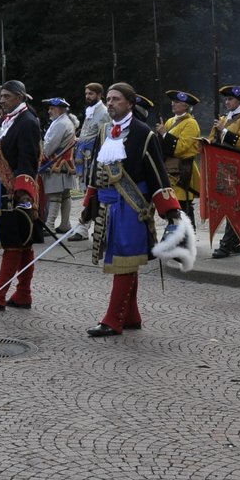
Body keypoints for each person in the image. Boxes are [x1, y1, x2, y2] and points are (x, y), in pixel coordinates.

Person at [79, 81, 185, 336]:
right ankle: (131, 316)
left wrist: (170, 212)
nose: (112, 103)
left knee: (124, 262)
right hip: (107, 207)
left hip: (131, 207)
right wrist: (87, 206)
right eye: (111, 99)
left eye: (117, 99)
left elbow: (158, 174)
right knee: (125, 262)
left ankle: (112, 320)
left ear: (130, 103)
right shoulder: (104, 131)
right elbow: (96, 171)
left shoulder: (143, 134)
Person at [0, 79, 44, 313]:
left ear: (20, 97)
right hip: (4, 189)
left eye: (7, 96)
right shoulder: (8, 121)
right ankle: (23, 294)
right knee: (23, 246)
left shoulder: (27, 122)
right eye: (1, 96)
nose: (2, 101)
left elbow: (29, 160)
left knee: (14, 245)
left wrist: (24, 195)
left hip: (17, 192)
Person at [207, 84, 240, 258]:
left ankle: (227, 244)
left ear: (239, 100)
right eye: (226, 99)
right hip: (223, 168)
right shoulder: (223, 118)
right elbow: (214, 140)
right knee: (227, 204)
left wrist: (224, 130)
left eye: (230, 99)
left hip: (238, 169)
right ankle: (234, 243)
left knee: (234, 206)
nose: (227, 102)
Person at [159, 90, 202, 226]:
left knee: (183, 203)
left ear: (186, 107)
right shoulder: (171, 120)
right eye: (173, 102)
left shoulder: (191, 123)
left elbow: (182, 147)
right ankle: (174, 231)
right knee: (172, 203)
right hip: (169, 167)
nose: (173, 104)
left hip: (183, 169)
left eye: (177, 102)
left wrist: (165, 134)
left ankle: (188, 234)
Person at [40, 96, 79, 234]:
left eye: (52, 108)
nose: (49, 111)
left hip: (56, 164)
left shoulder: (61, 124)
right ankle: (65, 224)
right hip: (64, 164)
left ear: (60, 109)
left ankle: (50, 225)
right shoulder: (63, 121)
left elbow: (49, 146)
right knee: (65, 195)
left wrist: (40, 159)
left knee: (55, 195)